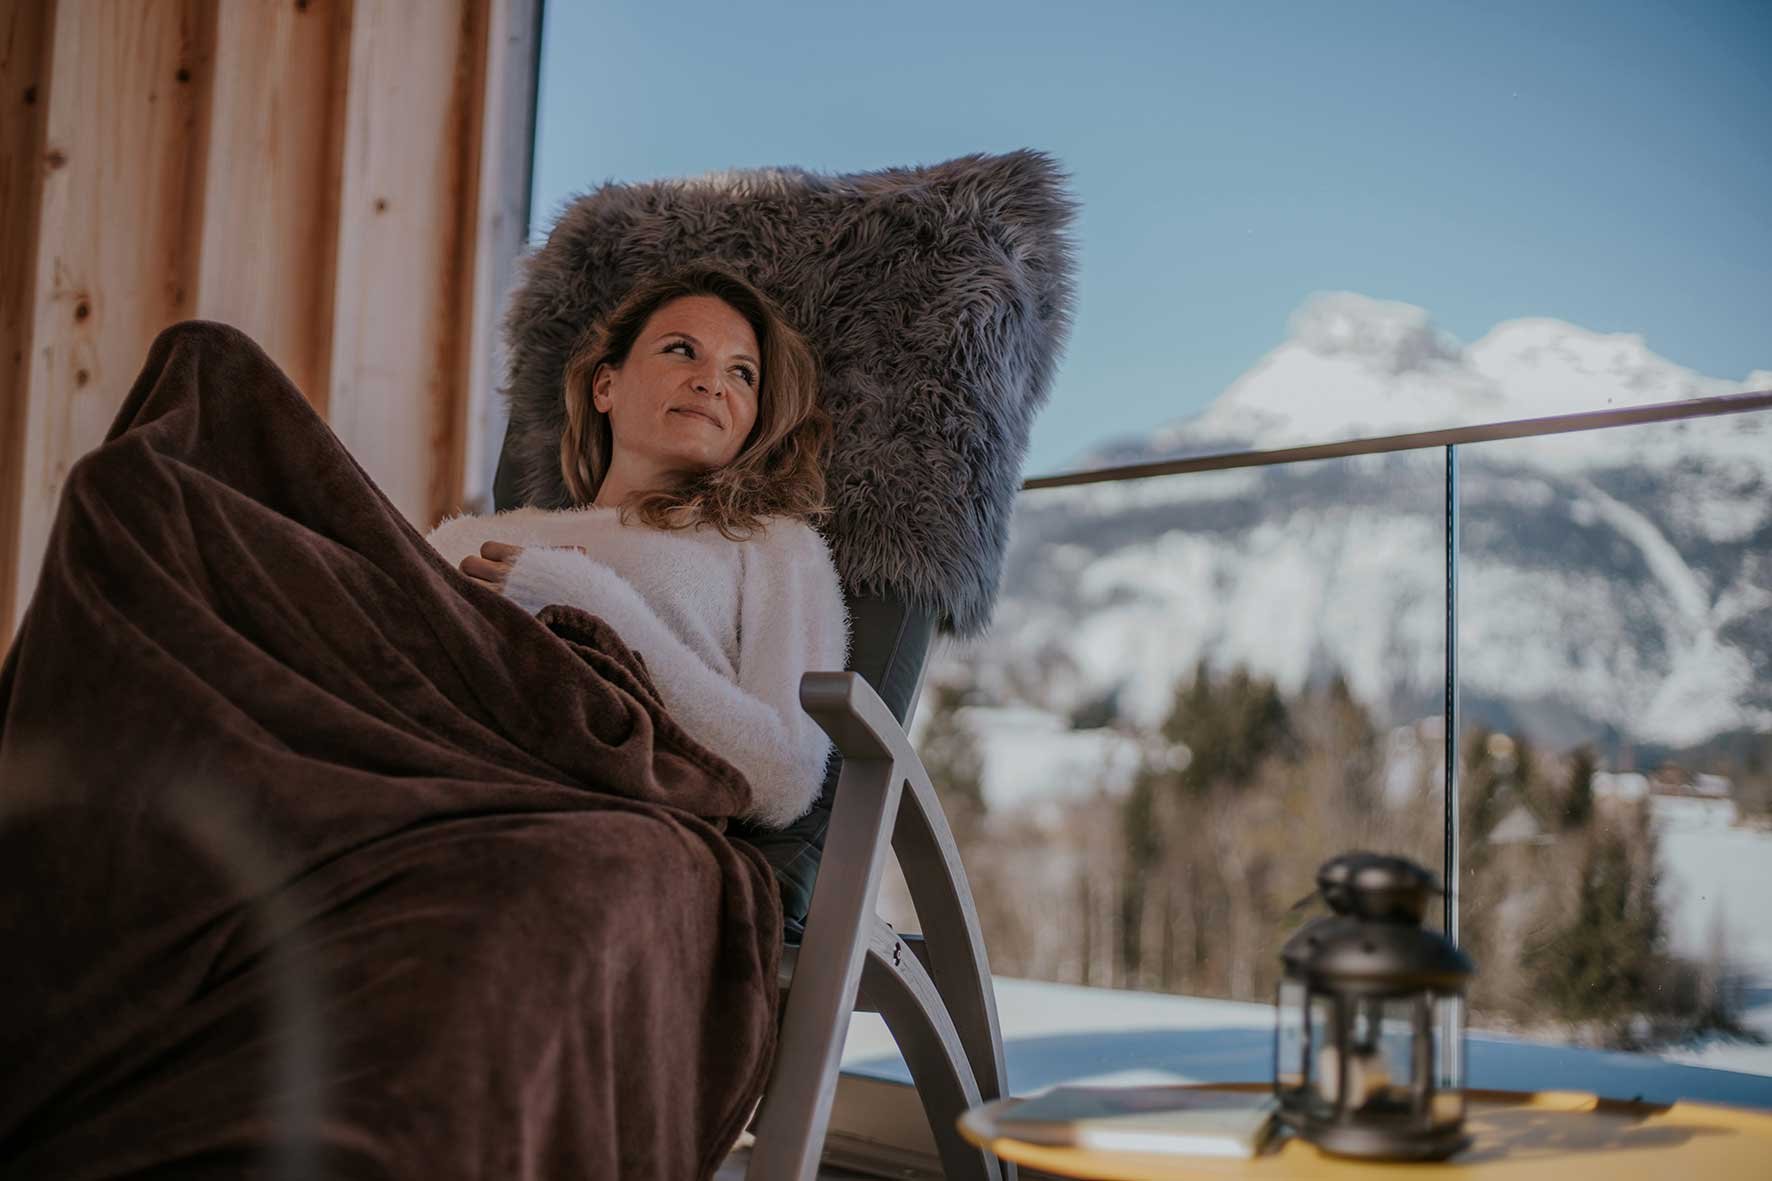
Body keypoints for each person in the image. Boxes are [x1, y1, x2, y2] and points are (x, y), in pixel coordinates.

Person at [425, 262, 850, 830]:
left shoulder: (769, 545)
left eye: (743, 373)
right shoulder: (469, 536)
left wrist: (589, 601)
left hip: (599, 816)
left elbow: (782, 776)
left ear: (754, 419)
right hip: (415, 764)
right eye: (681, 350)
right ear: (606, 386)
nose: (712, 382)